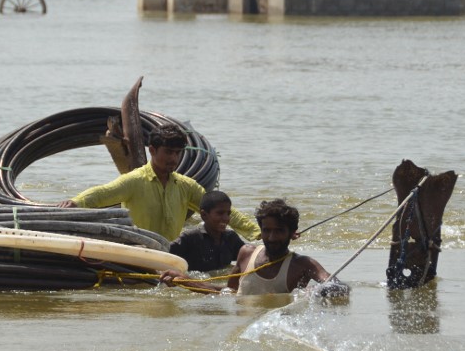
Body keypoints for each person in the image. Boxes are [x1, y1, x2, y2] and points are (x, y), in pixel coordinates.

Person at [58, 124, 260, 244]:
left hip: (171, 252)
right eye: (169, 152)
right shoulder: (135, 180)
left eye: (178, 153)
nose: (174, 158)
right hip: (140, 250)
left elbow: (221, 210)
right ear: (153, 150)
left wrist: (257, 233)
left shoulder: (186, 186)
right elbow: (103, 193)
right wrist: (75, 203)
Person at [161, 198, 348, 298]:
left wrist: (315, 291)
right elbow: (228, 293)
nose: (272, 238)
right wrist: (186, 281)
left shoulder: (303, 264)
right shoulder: (246, 253)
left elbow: (340, 287)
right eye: (266, 231)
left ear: (293, 233)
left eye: (279, 231)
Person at [169, 190, 246, 271]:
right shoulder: (190, 238)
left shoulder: (231, 238)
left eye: (228, 213)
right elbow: (163, 256)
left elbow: (249, 257)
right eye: (220, 213)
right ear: (204, 215)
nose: (226, 218)